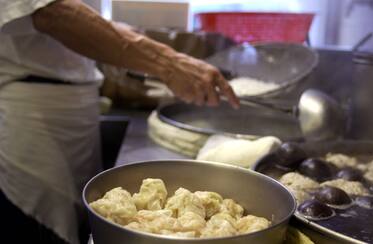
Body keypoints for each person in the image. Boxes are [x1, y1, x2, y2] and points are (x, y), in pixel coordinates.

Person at [0, 0, 239, 244]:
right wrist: (169, 63)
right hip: (32, 112)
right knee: (42, 226)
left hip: (77, 103)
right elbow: (50, 11)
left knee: (84, 221)